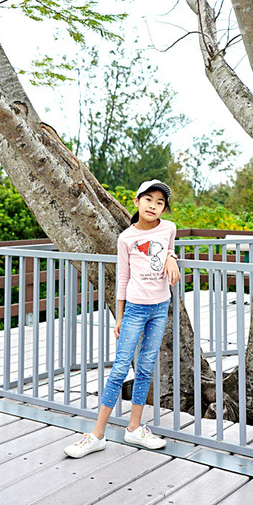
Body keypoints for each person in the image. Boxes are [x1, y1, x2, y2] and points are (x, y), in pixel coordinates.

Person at [64, 179, 181, 457]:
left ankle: (134, 428)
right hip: (136, 309)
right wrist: (119, 315)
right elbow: (123, 278)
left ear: (164, 208)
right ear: (136, 201)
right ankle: (97, 435)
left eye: (160, 202)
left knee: (145, 368)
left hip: (160, 306)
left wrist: (172, 257)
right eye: (149, 200)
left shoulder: (169, 229)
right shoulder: (126, 238)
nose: (154, 206)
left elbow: (169, 250)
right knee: (119, 370)